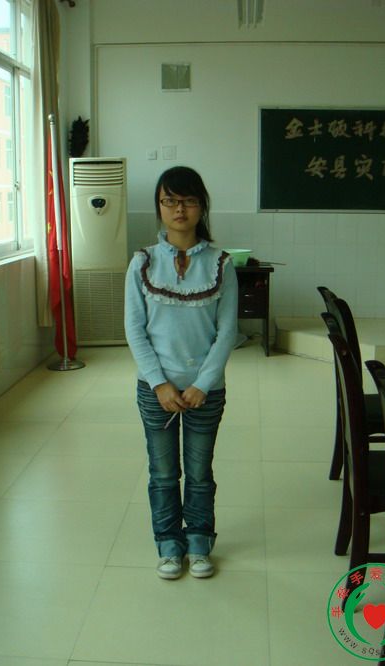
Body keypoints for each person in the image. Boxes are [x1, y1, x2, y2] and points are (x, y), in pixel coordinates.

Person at [124, 166, 238, 580]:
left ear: (201, 206)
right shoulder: (142, 263)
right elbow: (134, 329)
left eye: (188, 201)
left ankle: (200, 542)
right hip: (156, 391)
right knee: (162, 474)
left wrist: (203, 384)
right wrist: (159, 383)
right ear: (159, 207)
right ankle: (169, 546)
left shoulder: (222, 263)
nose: (179, 209)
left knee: (200, 473)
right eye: (169, 201)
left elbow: (228, 331)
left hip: (206, 391)